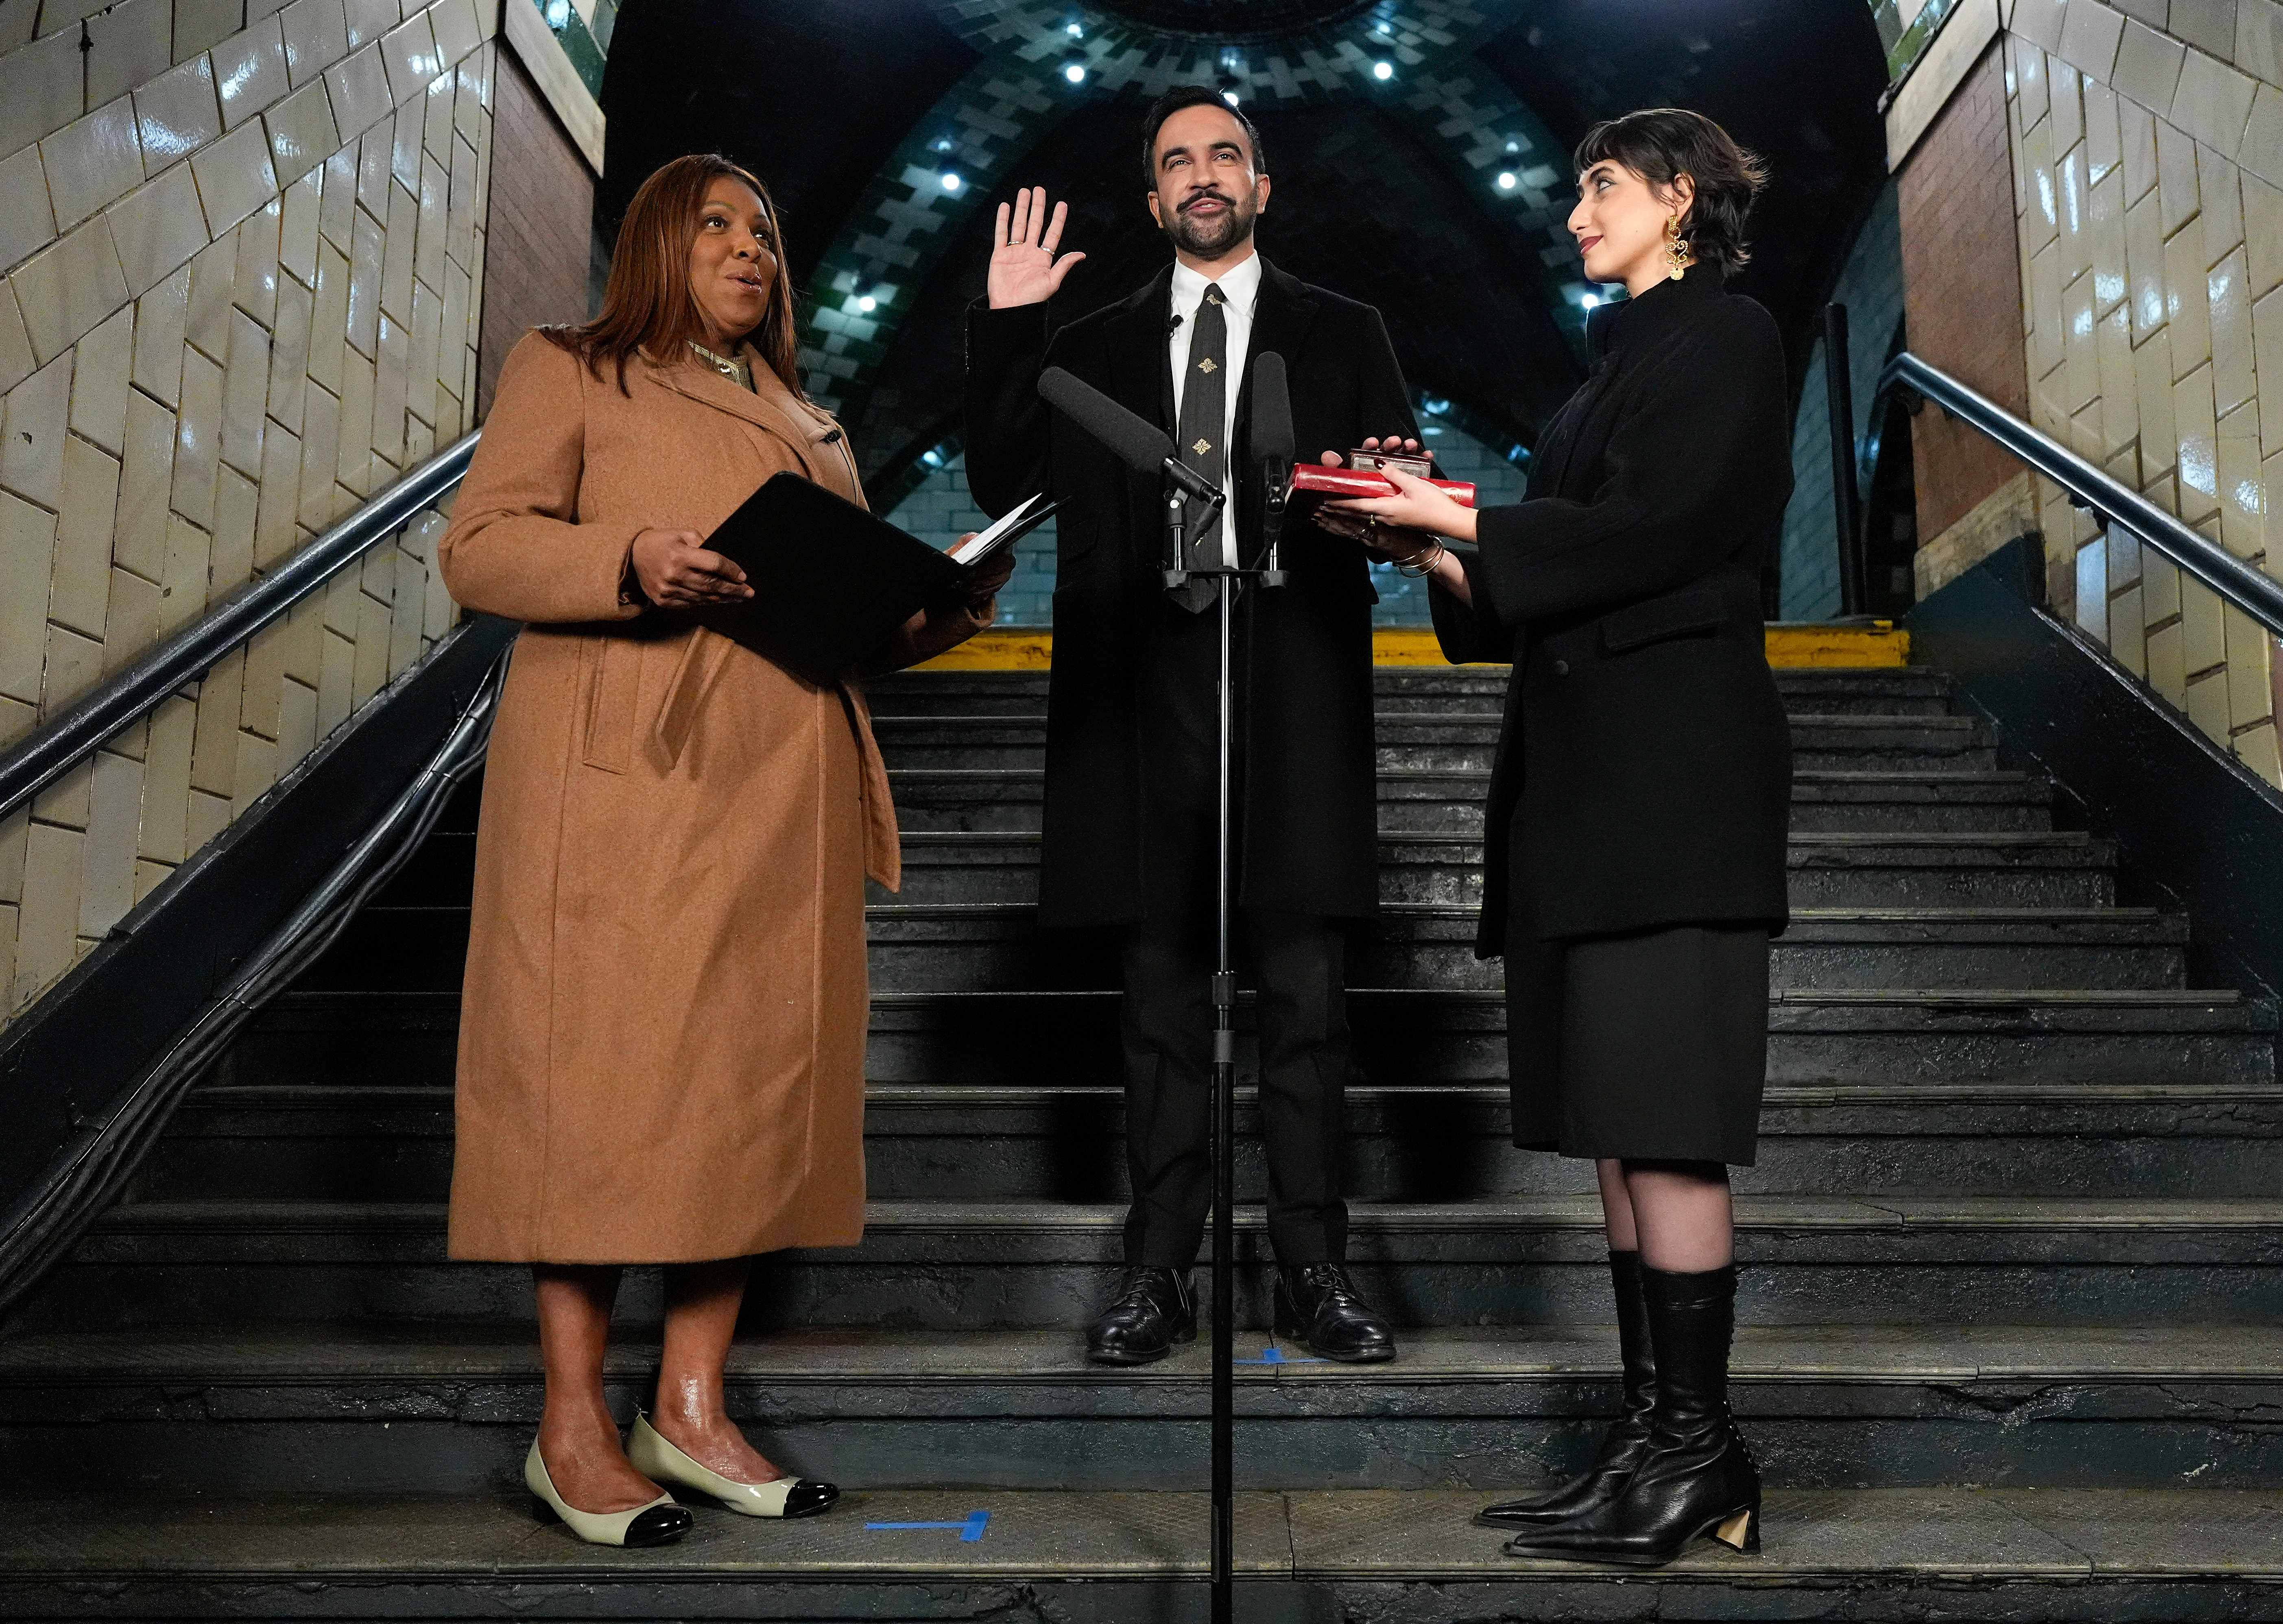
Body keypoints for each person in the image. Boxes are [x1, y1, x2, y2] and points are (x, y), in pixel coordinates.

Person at [440, 153, 1008, 1548]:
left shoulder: (809, 419)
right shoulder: (573, 365)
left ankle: (688, 1406)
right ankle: (570, 1425)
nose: (753, 249)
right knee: (601, 1089)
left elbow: (845, 606)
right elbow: (482, 546)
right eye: (718, 226)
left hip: (786, 791)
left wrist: (937, 610)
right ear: (655, 242)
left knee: (749, 1091)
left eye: (766, 230)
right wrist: (628, 555)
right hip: (630, 783)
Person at [1320, 108, 1791, 1568]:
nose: (1574, 208)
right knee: (1610, 1127)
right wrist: (1433, 548)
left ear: (1684, 197)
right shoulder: (1609, 368)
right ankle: (1657, 1442)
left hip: (1670, 785)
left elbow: (1654, 528)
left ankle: (1703, 1448)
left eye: (1600, 184)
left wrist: (1463, 509)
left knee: (1664, 1123)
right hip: (1585, 792)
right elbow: (1546, 569)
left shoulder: (1730, 338)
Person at [964, 87, 1429, 1367]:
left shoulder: (1345, 331)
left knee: (1303, 994)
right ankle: (1157, 1271)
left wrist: (1394, 503)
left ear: (1263, 186)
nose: (1204, 175)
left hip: (1293, 681)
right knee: (1162, 999)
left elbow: (1402, 488)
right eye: (1178, 162)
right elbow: (1005, 476)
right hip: (1141, 687)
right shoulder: (1098, 344)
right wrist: (1009, 324)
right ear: (1155, 197)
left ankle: (1312, 1267)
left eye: (1226, 154)